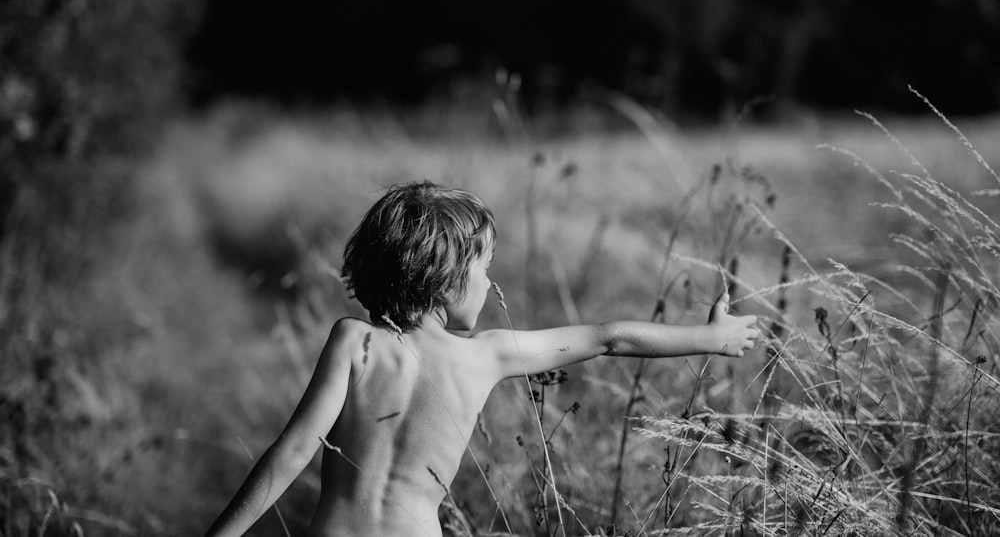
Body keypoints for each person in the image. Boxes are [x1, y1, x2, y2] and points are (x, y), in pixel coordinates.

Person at [205, 181, 759, 537]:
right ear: (446, 279)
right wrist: (708, 338)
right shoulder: (486, 357)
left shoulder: (355, 342)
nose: (490, 281)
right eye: (484, 267)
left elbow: (294, 450)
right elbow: (608, 337)